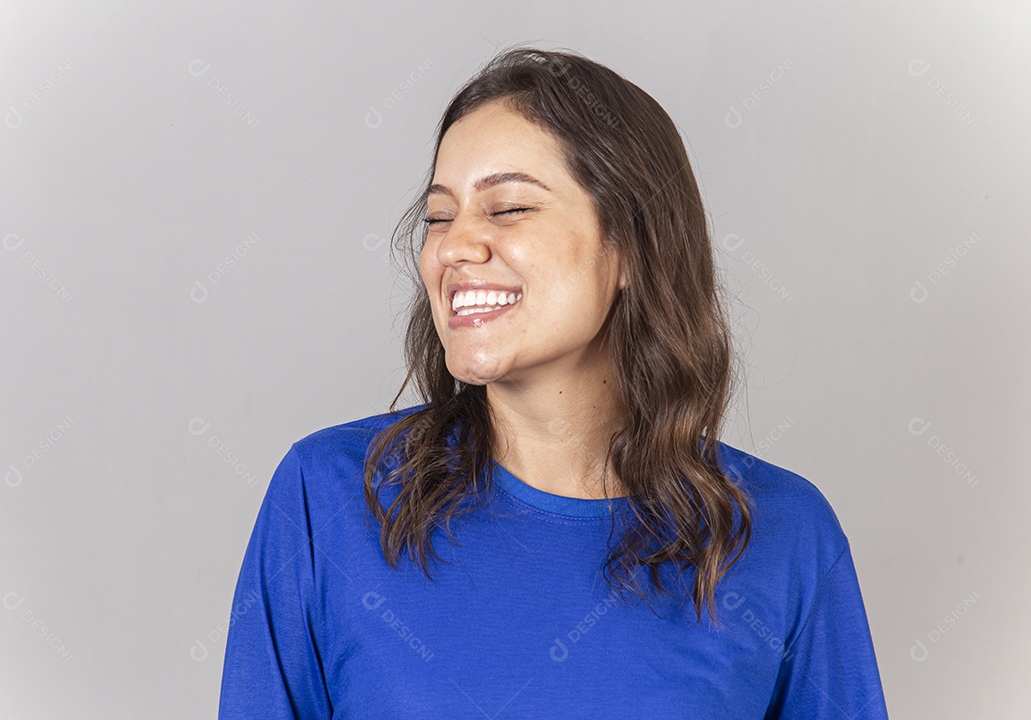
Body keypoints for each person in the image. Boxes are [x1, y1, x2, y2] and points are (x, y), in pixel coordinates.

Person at [218, 46, 889, 719]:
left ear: (631, 246)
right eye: (439, 218)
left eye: (507, 209)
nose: (453, 247)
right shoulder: (326, 500)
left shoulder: (783, 534)